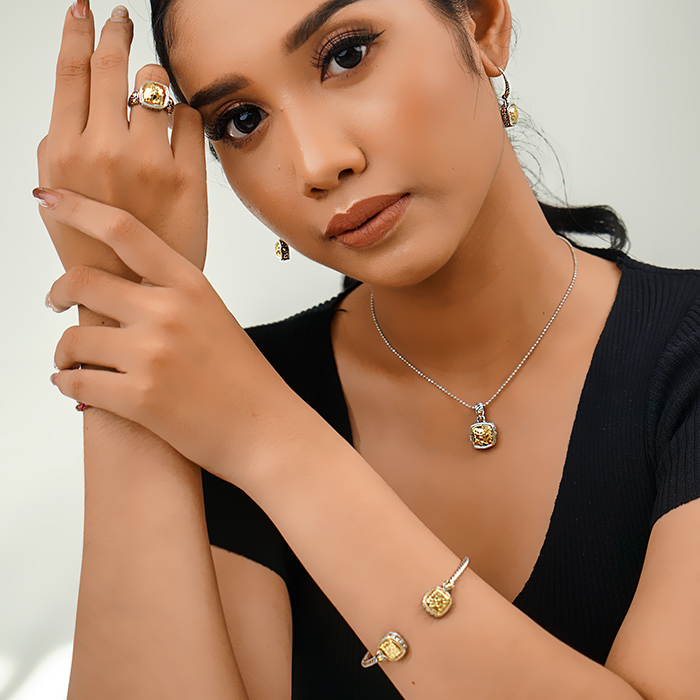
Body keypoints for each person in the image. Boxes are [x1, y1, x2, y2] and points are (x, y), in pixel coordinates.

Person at [34, 0, 700, 698]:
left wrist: (269, 441)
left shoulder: (238, 409)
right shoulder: (212, 393)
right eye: (243, 119)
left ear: (482, 24)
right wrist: (120, 304)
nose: (318, 163)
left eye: (345, 55)